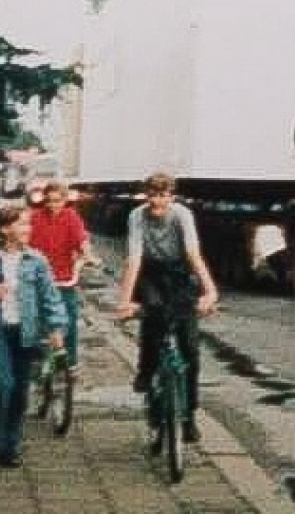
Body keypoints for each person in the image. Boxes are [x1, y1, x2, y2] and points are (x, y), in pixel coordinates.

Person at [0, 205, 66, 473]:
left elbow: (50, 297)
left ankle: (10, 446)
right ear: (5, 229)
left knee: (19, 391)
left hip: (26, 334)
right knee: (1, 386)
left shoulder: (36, 261)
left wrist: (56, 328)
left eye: (29, 224)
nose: (28, 229)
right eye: (22, 224)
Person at [115, 172, 220, 446]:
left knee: (190, 348)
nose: (157, 201)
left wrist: (210, 290)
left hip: (178, 272)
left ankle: (189, 416)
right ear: (146, 195)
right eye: (152, 194)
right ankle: (146, 372)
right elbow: (135, 258)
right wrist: (125, 301)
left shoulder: (182, 215)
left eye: (163, 195)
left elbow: (193, 253)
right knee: (152, 321)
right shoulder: (137, 215)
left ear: (171, 196)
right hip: (150, 273)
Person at [30, 180, 94, 372]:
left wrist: (88, 256)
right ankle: (37, 357)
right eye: (49, 201)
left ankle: (71, 361)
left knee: (69, 318)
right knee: (36, 318)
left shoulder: (71, 217)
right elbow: (25, 239)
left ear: (65, 200)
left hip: (64, 278)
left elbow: (81, 239)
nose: (53, 205)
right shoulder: (35, 217)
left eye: (57, 201)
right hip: (39, 277)